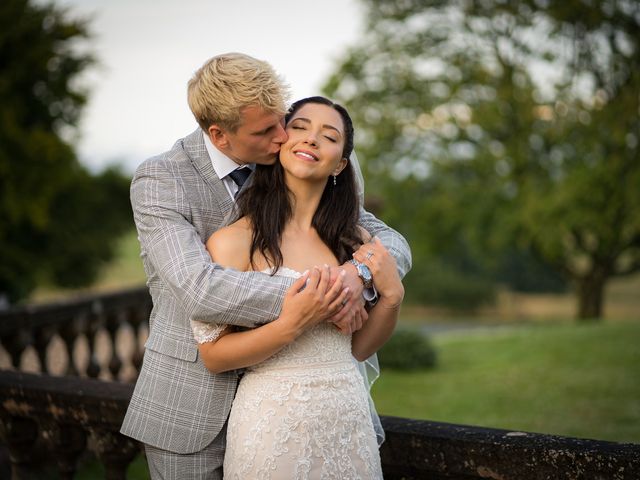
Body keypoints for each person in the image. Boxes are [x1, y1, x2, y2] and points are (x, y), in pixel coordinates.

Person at [120, 53, 412, 480]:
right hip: (190, 405)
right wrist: (323, 297)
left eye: (283, 120)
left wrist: (359, 275)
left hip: (310, 408)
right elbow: (201, 289)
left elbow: (390, 242)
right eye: (267, 130)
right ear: (219, 135)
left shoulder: (287, 160)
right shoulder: (162, 181)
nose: (282, 136)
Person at [191, 96, 404, 479]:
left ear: (340, 163)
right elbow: (214, 355)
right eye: (301, 127)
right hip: (273, 423)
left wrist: (392, 298)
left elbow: (358, 349)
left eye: (328, 136)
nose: (311, 140)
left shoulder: (354, 243)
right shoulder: (235, 241)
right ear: (281, 141)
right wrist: (291, 324)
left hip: (346, 417)